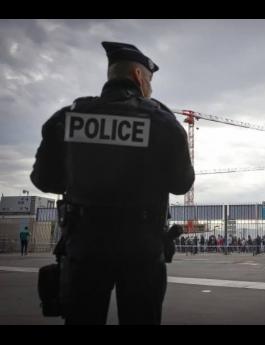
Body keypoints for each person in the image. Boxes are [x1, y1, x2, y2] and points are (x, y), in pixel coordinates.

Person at [30, 41, 194, 324]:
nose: (150, 89)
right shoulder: (162, 122)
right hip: (142, 250)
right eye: (150, 81)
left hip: (83, 248)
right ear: (139, 77)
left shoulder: (68, 118)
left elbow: (44, 180)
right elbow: (181, 184)